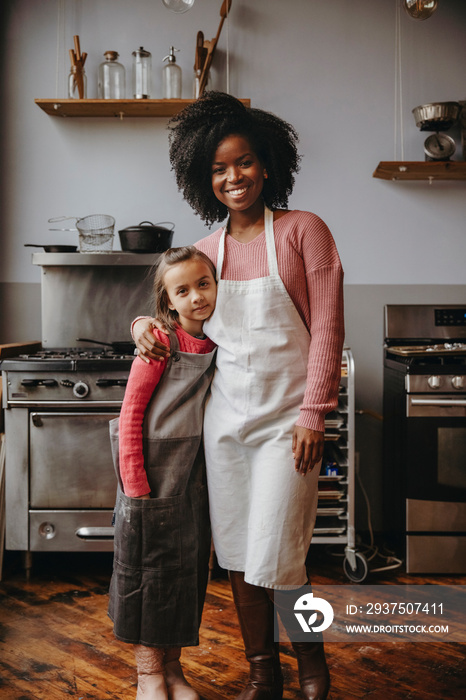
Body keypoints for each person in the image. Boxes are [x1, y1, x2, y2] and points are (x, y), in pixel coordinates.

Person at [132, 91, 345, 700]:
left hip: (289, 425)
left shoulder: (305, 232)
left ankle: (312, 665)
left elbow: (328, 326)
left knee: (282, 552)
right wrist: (142, 328)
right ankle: (263, 673)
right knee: (237, 553)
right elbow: (169, 314)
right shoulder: (205, 252)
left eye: (244, 162)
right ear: (206, 178)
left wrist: (314, 413)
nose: (234, 177)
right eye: (220, 169)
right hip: (224, 427)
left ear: (267, 164)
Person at [108, 246, 217, 700]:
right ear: (168, 301)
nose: (196, 297)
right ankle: (148, 675)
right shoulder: (159, 342)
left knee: (181, 575)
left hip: (189, 478)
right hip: (149, 477)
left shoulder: (216, 340)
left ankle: (173, 670)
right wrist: (135, 486)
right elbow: (131, 414)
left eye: (203, 284)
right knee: (145, 576)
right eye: (183, 290)